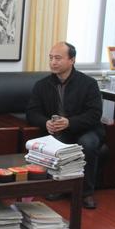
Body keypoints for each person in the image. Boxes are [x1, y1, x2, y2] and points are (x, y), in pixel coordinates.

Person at [26, 41, 104, 209]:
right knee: (56, 144)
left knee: (87, 144)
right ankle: (58, 187)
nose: (53, 62)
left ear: (72, 60)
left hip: (85, 129)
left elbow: (95, 114)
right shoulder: (42, 85)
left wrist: (70, 122)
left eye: (58, 58)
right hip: (58, 131)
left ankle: (86, 193)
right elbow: (32, 112)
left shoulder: (88, 83)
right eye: (51, 58)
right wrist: (45, 122)